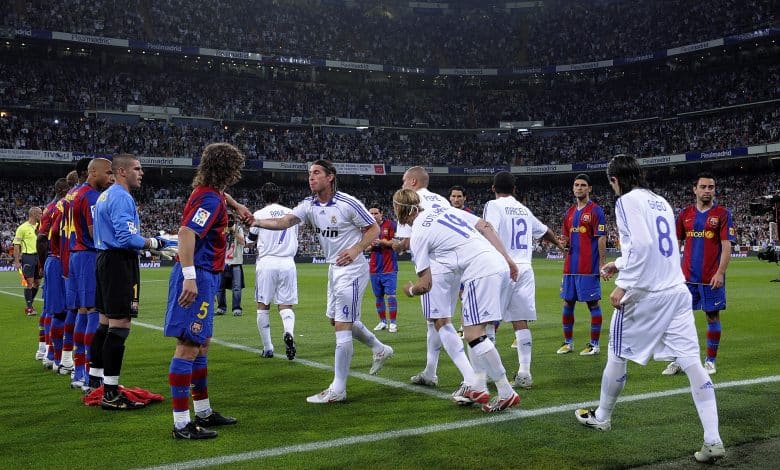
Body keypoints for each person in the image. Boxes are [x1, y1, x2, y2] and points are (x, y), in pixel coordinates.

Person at [576, 154, 724, 463]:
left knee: (616, 352)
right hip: (675, 291)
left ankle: (602, 415)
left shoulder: (626, 201)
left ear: (614, 180)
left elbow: (641, 247)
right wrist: (617, 263)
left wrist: (625, 283)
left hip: (647, 294)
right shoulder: (660, 201)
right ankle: (713, 439)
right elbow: (656, 247)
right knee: (692, 364)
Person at [253, 159, 393, 404]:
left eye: (316, 173)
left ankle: (338, 389)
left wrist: (357, 249)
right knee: (336, 320)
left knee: (343, 325)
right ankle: (380, 348)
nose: (311, 177)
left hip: (351, 269)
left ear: (330, 177)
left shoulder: (348, 203)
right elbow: (285, 221)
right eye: (309, 174)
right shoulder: (309, 205)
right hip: (334, 268)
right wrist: (256, 222)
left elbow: (373, 229)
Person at [394, 188, 521, 412]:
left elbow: (426, 284)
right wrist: (508, 260)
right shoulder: (444, 211)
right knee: (477, 331)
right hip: (494, 264)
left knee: (473, 334)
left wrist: (411, 290)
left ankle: (505, 391)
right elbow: (484, 226)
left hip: (480, 271)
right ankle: (480, 386)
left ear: (400, 211)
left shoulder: (419, 234)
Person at [164, 143, 252, 439]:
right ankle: (181, 424)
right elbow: (186, 233)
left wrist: (236, 205)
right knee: (188, 346)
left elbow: (219, 197)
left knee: (201, 344)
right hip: (198, 275)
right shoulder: (210, 200)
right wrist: (190, 277)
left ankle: (203, 412)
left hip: (207, 275)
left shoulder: (209, 193)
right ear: (229, 169)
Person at [91, 154, 171, 409]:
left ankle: (97, 383)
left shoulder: (106, 195)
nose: (142, 172)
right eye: (137, 168)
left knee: (105, 323)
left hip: (105, 260)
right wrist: (154, 243)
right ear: (122, 171)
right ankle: (111, 394)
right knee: (120, 325)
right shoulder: (121, 197)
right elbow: (126, 237)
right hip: (118, 263)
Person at [482, 172, 566, 389]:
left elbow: (489, 231)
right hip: (525, 269)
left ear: (493, 188)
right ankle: (525, 372)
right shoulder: (523, 209)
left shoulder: (493, 205)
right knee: (520, 322)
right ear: (514, 189)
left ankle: (490, 373)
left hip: (503, 266)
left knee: (489, 320)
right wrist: (558, 244)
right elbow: (544, 231)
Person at [394, 166, 463, 389]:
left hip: (434, 266)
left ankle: (471, 378)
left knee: (440, 322)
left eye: (404, 180)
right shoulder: (443, 200)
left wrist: (388, 244)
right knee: (436, 322)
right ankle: (430, 372)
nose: (402, 184)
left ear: (413, 181)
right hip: (455, 264)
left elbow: (404, 243)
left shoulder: (408, 201)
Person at [663, 172, 734, 376]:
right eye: (703, 187)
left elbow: (726, 245)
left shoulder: (722, 213)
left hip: (711, 276)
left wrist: (720, 272)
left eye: (710, 187)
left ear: (714, 189)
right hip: (686, 278)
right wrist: (672, 268)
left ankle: (710, 360)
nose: (707, 191)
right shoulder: (685, 214)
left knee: (712, 316)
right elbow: (675, 242)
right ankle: (678, 359)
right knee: (679, 319)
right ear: (695, 189)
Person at [67, 158, 113, 390]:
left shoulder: (77, 193)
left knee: (83, 311)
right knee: (94, 311)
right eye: (108, 172)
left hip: (77, 255)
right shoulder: (92, 197)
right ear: (93, 172)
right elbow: (97, 232)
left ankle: (78, 372)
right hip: (88, 256)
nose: (111, 177)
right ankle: (88, 375)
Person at [247, 182, 299, 360]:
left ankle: (268, 348)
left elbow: (250, 240)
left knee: (263, 306)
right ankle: (288, 332)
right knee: (286, 305)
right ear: (279, 196)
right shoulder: (291, 213)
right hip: (287, 263)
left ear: (263, 197)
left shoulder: (259, 215)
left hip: (267, 262)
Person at [558, 173, 607, 356]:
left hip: (588, 267)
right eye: (576, 185)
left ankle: (594, 344)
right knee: (567, 303)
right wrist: (563, 243)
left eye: (583, 185)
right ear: (573, 188)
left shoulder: (596, 211)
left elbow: (601, 237)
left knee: (592, 304)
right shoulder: (569, 213)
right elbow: (565, 238)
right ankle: (568, 342)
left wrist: (601, 264)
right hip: (570, 267)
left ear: (589, 188)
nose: (579, 188)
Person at [36, 178, 71, 369]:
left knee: (51, 308)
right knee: (62, 310)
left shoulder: (50, 207)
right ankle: (57, 357)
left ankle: (47, 351)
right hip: (57, 260)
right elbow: (43, 238)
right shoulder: (59, 207)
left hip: (53, 260)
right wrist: (44, 264)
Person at [366, 203, 399, 333]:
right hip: (374, 268)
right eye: (371, 213)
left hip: (389, 267)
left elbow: (396, 243)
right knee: (378, 296)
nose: (373, 216)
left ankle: (393, 323)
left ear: (381, 214)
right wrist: (371, 245)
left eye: (376, 213)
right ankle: (382, 322)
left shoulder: (390, 225)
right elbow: (365, 247)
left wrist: (382, 242)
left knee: (391, 295)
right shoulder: (367, 228)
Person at [13, 205, 43, 316]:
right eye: (40, 213)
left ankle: (30, 304)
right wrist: (17, 261)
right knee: (29, 282)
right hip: (28, 256)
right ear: (33, 214)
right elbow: (16, 245)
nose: (41, 215)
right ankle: (29, 308)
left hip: (39, 257)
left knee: (37, 282)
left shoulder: (41, 227)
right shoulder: (22, 228)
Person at [215, 214, 246, 316]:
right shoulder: (221, 229)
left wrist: (234, 231)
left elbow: (243, 242)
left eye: (231, 220)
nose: (229, 222)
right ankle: (221, 308)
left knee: (237, 287)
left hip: (235, 263)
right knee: (220, 287)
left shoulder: (238, 229)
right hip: (223, 263)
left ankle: (236, 308)